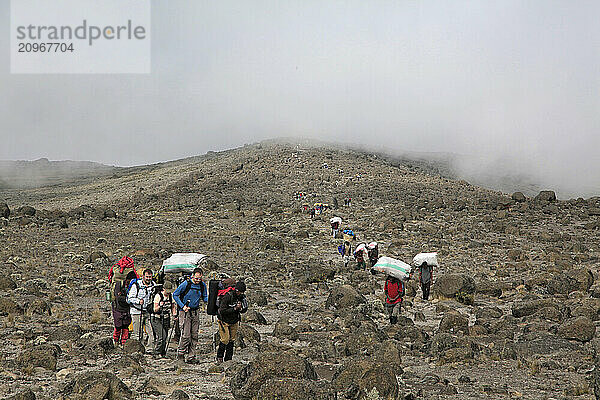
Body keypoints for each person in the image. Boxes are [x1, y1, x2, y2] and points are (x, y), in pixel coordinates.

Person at [172, 267, 208, 363]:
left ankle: (191, 356)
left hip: (195, 312)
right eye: (196, 278)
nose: (197, 280)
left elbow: (205, 296)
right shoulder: (186, 284)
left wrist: (208, 301)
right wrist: (182, 306)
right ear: (192, 276)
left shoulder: (202, 285)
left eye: (199, 279)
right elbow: (175, 294)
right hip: (185, 312)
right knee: (186, 335)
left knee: (194, 335)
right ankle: (180, 355)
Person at [216, 281, 248, 363]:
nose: (241, 293)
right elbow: (222, 310)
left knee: (232, 340)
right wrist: (234, 309)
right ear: (236, 290)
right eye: (240, 292)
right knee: (225, 339)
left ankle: (228, 359)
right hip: (224, 320)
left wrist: (241, 308)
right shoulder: (228, 296)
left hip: (234, 320)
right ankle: (219, 357)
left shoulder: (241, 297)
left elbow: (244, 309)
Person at [127, 268, 156, 351]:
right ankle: (139, 350)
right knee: (138, 334)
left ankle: (150, 350)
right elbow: (130, 298)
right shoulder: (136, 285)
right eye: (147, 277)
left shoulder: (153, 284)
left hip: (147, 311)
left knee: (150, 333)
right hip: (136, 312)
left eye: (150, 277)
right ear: (143, 276)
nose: (148, 279)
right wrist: (138, 301)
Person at [150, 281, 175, 358]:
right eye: (167, 291)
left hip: (166, 317)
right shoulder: (158, 296)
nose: (168, 293)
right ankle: (156, 352)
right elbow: (155, 309)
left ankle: (163, 352)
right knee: (162, 336)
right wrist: (160, 306)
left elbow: (173, 306)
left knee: (166, 336)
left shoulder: (171, 296)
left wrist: (174, 315)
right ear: (163, 289)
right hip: (156, 318)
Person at [112, 270, 136, 347]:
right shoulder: (119, 285)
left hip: (127, 309)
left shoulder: (134, 286)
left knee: (126, 326)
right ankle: (116, 341)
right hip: (118, 308)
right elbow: (118, 298)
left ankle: (123, 343)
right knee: (118, 326)